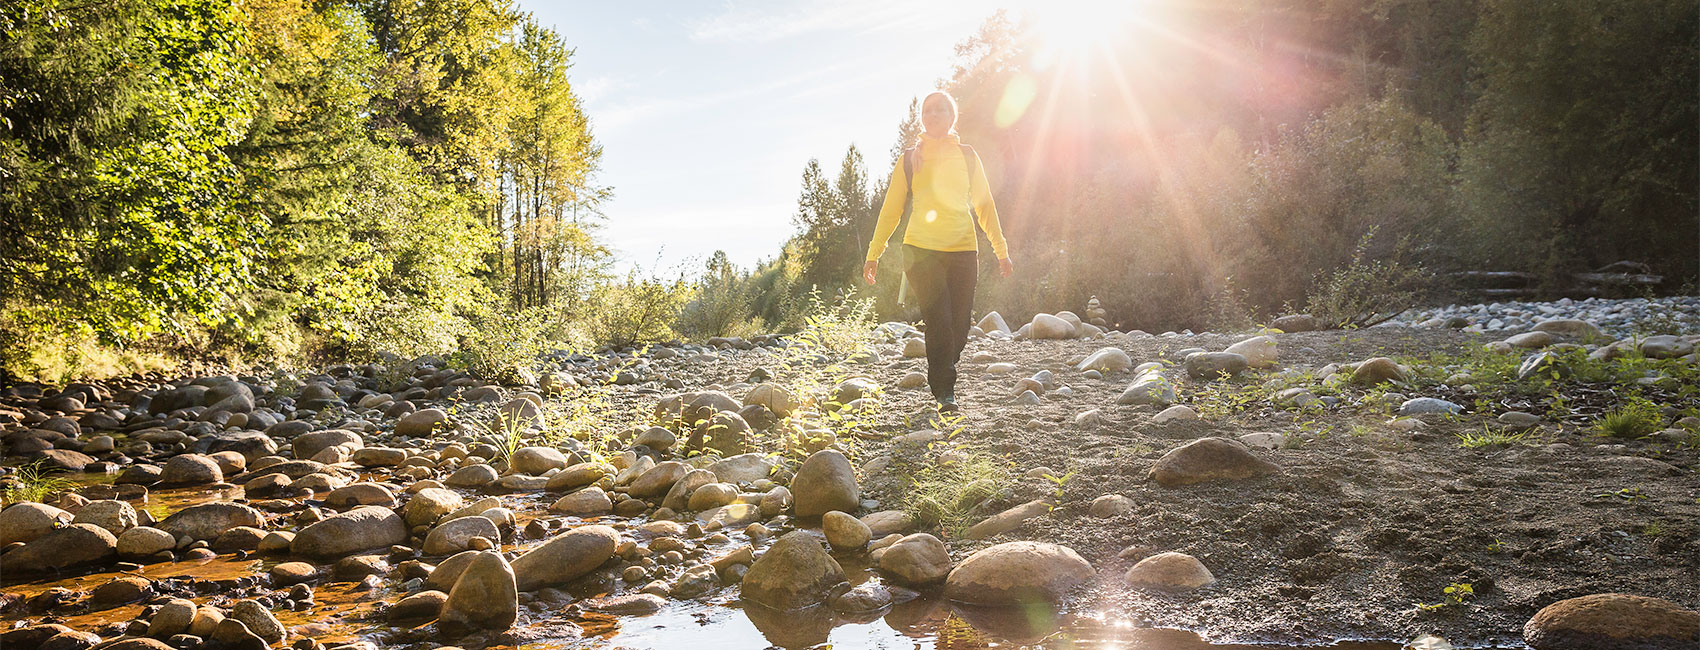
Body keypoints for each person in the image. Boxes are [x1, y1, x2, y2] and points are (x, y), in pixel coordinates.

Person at [864, 91, 1013, 413]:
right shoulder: (909, 158)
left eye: (940, 110)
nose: (934, 115)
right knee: (939, 320)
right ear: (922, 117)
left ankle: (944, 364)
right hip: (920, 251)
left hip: (963, 249)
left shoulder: (969, 155)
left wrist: (1001, 250)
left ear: (952, 116)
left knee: (960, 325)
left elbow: (985, 206)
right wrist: (873, 253)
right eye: (928, 111)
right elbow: (891, 210)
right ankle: (945, 391)